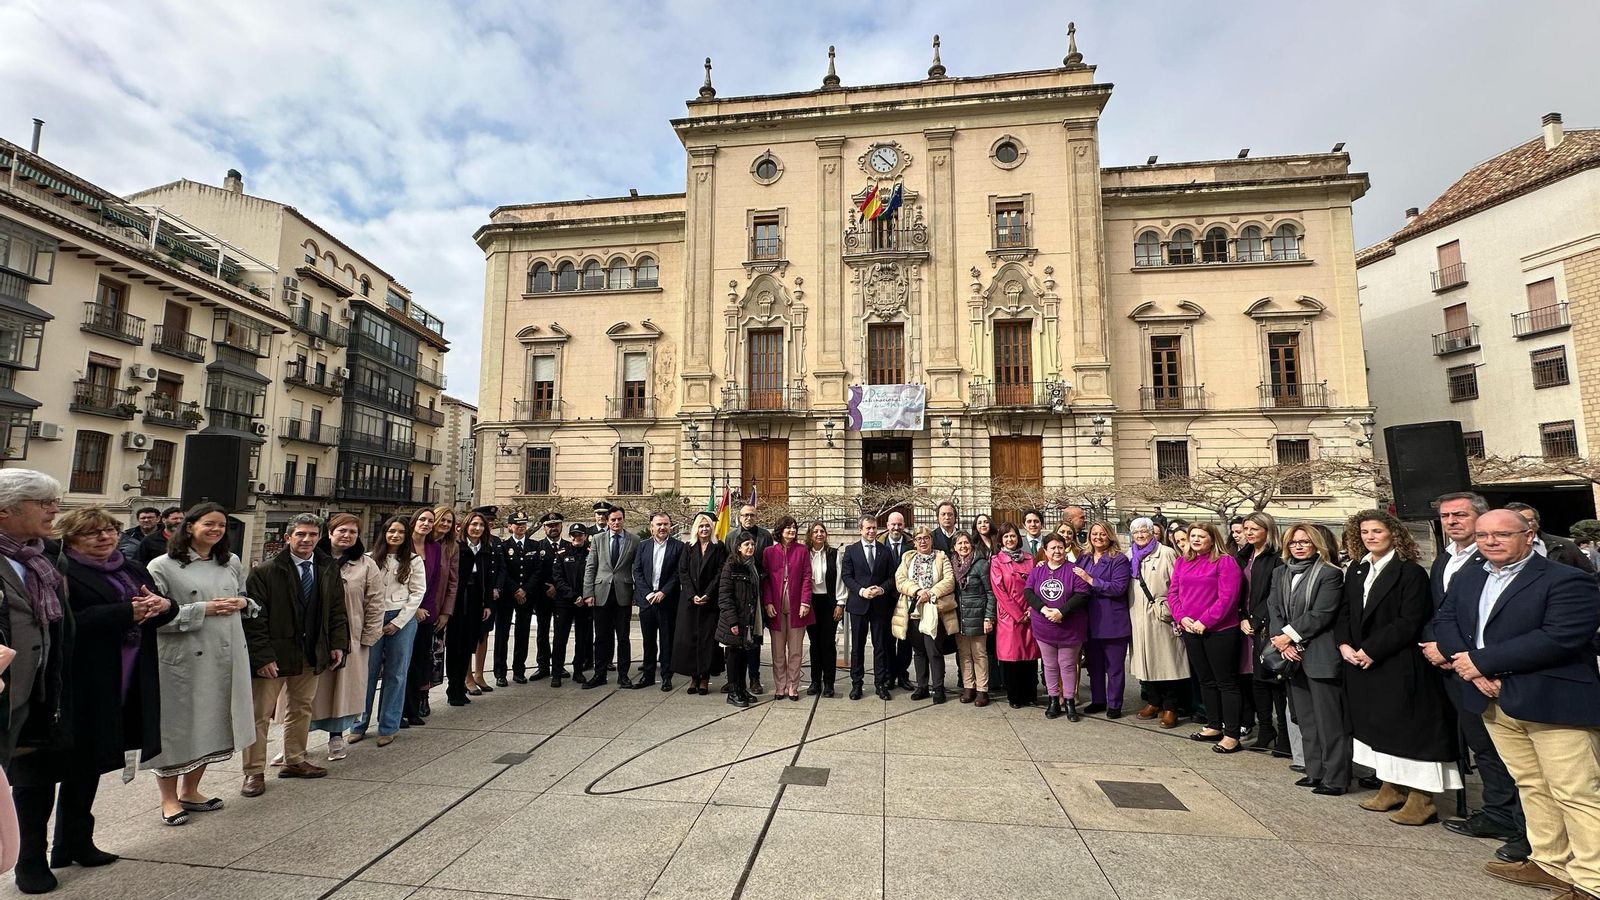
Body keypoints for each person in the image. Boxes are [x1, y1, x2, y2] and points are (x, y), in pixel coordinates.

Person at [1434, 509, 1600, 895]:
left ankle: (1592, 880)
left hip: (1552, 701)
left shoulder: (1568, 579)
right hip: (1493, 699)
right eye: (1483, 535)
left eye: (1502, 534)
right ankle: (1550, 861)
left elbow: (1560, 637)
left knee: (1576, 791)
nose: (1490, 541)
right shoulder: (1470, 575)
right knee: (1531, 784)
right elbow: (1447, 621)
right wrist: (1470, 666)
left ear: (1529, 535)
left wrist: (1482, 663)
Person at [13, 508, 174, 890]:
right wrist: (125, 612)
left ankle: (74, 842)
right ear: (69, 538)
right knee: (39, 777)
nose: (105, 538)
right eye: (92, 534)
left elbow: (158, 607)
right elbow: (61, 623)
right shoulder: (56, 570)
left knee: (88, 765)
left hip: (118, 682)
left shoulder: (131, 568)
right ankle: (29, 860)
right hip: (65, 685)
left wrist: (164, 607)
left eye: (110, 531)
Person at [1421, 492, 1528, 862]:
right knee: (1482, 745)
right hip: (1457, 668)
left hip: (1494, 668)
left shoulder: (1495, 561)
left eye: (1460, 515)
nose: (1452, 521)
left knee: (1514, 754)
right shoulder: (1443, 560)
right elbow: (1443, 613)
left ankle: (1523, 826)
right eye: (1446, 515)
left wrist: (1472, 661)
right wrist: (1441, 647)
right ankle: (1498, 814)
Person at [1337, 509, 1460, 826]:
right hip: (1362, 663)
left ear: (1393, 533)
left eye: (1376, 531)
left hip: (1397, 661)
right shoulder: (1357, 570)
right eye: (1364, 532)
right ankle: (1391, 786)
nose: (1370, 537)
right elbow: (1346, 612)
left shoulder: (1410, 572)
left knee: (1409, 730)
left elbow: (1409, 621)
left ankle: (1422, 798)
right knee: (1376, 729)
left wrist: (1370, 650)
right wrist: (1345, 645)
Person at [144, 502, 256, 829]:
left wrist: (243, 603)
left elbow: (245, 598)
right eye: (209, 524)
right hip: (182, 657)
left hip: (225, 652)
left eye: (221, 525)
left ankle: (191, 790)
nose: (216, 530)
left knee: (213, 720)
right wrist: (201, 609)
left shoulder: (230, 562)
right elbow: (152, 617)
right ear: (190, 526)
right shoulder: (162, 566)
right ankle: (168, 798)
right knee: (176, 728)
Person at [241, 514, 350, 798]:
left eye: (313, 535)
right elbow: (255, 620)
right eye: (301, 534)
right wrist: (263, 657)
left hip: (311, 651)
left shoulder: (327, 567)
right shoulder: (265, 571)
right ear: (288, 537)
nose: (307, 540)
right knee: (259, 715)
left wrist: (337, 644)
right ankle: (253, 772)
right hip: (275, 655)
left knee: (301, 708)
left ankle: (295, 760)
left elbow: (337, 610)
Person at [0, 472, 72, 893]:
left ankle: (30, 857)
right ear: (5, 510)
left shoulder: (44, 557)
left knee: (32, 780)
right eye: (42, 501)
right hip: (3, 695)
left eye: (55, 501)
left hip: (38, 695)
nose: (54, 509)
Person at [1267, 523, 1350, 795]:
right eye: (1293, 542)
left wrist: (1289, 637)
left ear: (1317, 544)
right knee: (1305, 719)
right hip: (1289, 655)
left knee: (1329, 721)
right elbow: (1274, 608)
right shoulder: (1280, 573)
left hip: (1319, 653)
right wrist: (1281, 641)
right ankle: (1314, 771)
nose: (1299, 546)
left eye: (1304, 542)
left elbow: (1322, 613)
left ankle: (1335, 777)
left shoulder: (1330, 574)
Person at [299, 514, 384, 759]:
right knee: (306, 691)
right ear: (330, 533)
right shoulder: (312, 559)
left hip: (350, 637)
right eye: (342, 530)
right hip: (312, 636)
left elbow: (375, 602)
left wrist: (368, 637)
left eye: (352, 532)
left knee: (341, 691)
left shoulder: (366, 564)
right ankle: (296, 741)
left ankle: (336, 737)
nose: (347, 535)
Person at [1171, 523, 1246, 752]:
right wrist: (1182, 618)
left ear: (1212, 539)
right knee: (1205, 679)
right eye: (1192, 535)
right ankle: (1214, 724)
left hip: (1220, 631)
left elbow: (1228, 598)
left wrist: (1206, 621)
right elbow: (1173, 592)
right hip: (1190, 628)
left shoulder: (1225, 561)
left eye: (1200, 536)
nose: (1195, 539)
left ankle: (1232, 733)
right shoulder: (1182, 561)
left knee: (1226, 682)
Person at [350, 514, 423, 742]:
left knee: (396, 674)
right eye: (392, 531)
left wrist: (397, 622)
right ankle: (359, 724)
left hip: (401, 618)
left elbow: (417, 593)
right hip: (373, 618)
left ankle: (388, 726)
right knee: (366, 673)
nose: (396, 535)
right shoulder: (369, 559)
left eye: (401, 532)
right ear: (384, 533)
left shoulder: (413, 560)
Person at [1126, 517, 1186, 729]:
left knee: (1167, 662)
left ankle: (1171, 707)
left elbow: (1178, 585)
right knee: (1146, 661)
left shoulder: (1166, 553)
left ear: (1153, 532)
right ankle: (1153, 702)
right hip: (1137, 615)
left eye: (1144, 531)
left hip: (1161, 615)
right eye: (1136, 532)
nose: (1140, 535)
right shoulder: (1130, 555)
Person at [1239, 512, 1288, 754]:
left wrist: (1256, 619)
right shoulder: (1244, 556)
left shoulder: (1276, 558)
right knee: (1256, 679)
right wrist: (1241, 617)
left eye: (1254, 529)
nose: (1249, 532)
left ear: (1267, 531)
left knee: (1273, 679)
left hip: (1266, 624)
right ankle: (1265, 729)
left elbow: (1273, 592)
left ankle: (1285, 736)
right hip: (1246, 623)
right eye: (1246, 528)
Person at [1025, 533, 1087, 720]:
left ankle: (1069, 701)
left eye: (1060, 547)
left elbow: (1082, 594)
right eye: (1052, 548)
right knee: (1050, 665)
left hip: (1069, 627)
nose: (1057, 551)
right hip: (1044, 627)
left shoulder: (1074, 569)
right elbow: (1028, 591)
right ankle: (1053, 700)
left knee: (1067, 665)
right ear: (1045, 551)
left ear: (1065, 548)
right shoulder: (1038, 571)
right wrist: (1043, 609)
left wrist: (1062, 612)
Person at [1077, 521, 1133, 718]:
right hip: (1090, 621)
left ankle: (1115, 703)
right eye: (1094, 534)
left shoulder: (1119, 560)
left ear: (1109, 536)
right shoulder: (1084, 557)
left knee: (1114, 666)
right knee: (1094, 665)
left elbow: (1118, 588)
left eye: (1102, 534)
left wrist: (1091, 581)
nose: (1098, 537)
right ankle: (1098, 699)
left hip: (1112, 621)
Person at [893, 527, 955, 703]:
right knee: (919, 651)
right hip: (913, 610)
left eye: (926, 538)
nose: (923, 541)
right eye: (919, 538)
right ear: (914, 542)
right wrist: (918, 591)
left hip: (934, 609)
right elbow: (900, 580)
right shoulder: (908, 557)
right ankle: (922, 686)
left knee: (934, 650)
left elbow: (949, 581)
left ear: (931, 540)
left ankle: (938, 688)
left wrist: (930, 593)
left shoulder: (941, 557)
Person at [402, 508, 449, 725]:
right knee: (400, 664)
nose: (426, 524)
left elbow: (435, 582)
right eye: (422, 519)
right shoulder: (402, 544)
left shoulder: (435, 547)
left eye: (430, 521)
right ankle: (398, 711)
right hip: (403, 612)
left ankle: (412, 709)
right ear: (414, 521)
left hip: (426, 613)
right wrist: (414, 608)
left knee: (419, 661)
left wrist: (429, 609)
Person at [841, 515, 896, 701]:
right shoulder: (851, 551)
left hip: (880, 605)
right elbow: (847, 576)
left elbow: (891, 578)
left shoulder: (884, 551)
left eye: (874, 528)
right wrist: (862, 591)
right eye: (868, 528)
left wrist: (881, 589)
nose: (871, 531)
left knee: (880, 646)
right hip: (859, 605)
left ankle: (880, 684)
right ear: (860, 530)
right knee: (857, 646)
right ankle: (857, 684)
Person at [582, 506, 638, 689]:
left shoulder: (634, 540)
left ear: (624, 519)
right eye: (613, 520)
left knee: (623, 637)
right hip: (601, 594)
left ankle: (623, 675)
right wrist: (588, 593)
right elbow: (591, 567)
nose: (616, 522)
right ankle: (600, 674)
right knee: (601, 637)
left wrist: (636, 594)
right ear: (607, 521)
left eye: (619, 519)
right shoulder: (598, 539)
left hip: (623, 594)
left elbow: (637, 569)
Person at [447, 511, 498, 706]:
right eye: (474, 525)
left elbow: (487, 579)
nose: (477, 528)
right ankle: (454, 688)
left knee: (469, 644)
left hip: (477, 599)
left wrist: (487, 604)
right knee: (456, 645)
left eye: (481, 525)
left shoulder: (485, 549)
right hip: (459, 599)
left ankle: (461, 687)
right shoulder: (457, 547)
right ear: (466, 526)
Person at [674, 513, 728, 696]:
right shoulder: (688, 547)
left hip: (710, 602)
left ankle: (704, 677)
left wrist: (707, 594)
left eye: (707, 526)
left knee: (708, 641)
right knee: (690, 639)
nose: (704, 529)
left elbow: (721, 572)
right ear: (696, 528)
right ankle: (694, 677)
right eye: (701, 526)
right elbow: (683, 572)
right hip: (690, 602)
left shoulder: (718, 547)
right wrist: (692, 595)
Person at [763, 517, 814, 702]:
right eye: (788, 527)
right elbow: (766, 579)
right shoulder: (769, 552)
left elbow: (808, 577)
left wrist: (805, 602)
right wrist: (768, 602)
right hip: (776, 606)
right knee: (777, 651)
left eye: (794, 527)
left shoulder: (802, 550)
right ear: (780, 530)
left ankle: (793, 686)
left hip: (796, 605)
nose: (792, 530)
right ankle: (780, 686)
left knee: (795, 650)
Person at [723, 505, 773, 695]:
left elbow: (767, 563)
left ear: (757, 516)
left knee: (754, 640)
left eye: (752, 515)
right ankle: (734, 681)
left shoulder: (765, 536)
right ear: (739, 517)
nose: (748, 518)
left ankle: (754, 678)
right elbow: (728, 562)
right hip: (737, 595)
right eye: (745, 515)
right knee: (734, 643)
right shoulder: (730, 536)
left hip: (756, 595)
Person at [990, 523, 1039, 710]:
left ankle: (1030, 693)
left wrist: (1031, 610)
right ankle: (1015, 695)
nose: (1010, 540)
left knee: (1030, 655)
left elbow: (1036, 585)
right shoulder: (997, 561)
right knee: (1012, 657)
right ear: (1001, 540)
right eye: (1006, 537)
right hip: (1009, 616)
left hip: (1029, 612)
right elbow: (1000, 591)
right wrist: (1018, 614)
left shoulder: (1029, 558)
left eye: (1012, 536)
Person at [632, 512, 681, 691]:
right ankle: (648, 675)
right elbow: (637, 571)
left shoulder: (678, 546)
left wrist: (663, 592)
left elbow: (678, 573)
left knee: (667, 641)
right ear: (651, 526)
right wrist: (647, 594)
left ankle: (667, 676)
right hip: (647, 602)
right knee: (648, 641)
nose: (662, 528)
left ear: (670, 525)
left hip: (667, 602)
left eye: (665, 524)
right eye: (658, 524)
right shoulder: (643, 546)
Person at [494, 513, 540, 687]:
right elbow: (502, 571)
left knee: (522, 634)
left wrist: (525, 590)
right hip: (507, 595)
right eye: (517, 524)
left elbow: (537, 571)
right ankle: (500, 672)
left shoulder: (533, 546)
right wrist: (515, 589)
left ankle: (519, 670)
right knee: (502, 635)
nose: (521, 527)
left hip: (526, 596)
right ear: (509, 526)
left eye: (523, 524)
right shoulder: (504, 546)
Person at [949, 532, 994, 706]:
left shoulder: (981, 564)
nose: (963, 546)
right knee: (964, 654)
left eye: (966, 543)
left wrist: (989, 617)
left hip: (978, 616)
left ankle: (982, 689)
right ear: (954, 547)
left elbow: (990, 593)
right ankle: (969, 687)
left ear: (971, 545)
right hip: (959, 617)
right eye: (959, 543)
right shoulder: (951, 564)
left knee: (979, 654)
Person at [803, 521, 845, 698]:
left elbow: (840, 580)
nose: (819, 534)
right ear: (810, 535)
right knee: (814, 643)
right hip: (811, 602)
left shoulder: (834, 554)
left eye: (822, 531)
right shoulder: (804, 554)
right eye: (815, 531)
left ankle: (829, 683)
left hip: (829, 602)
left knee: (828, 644)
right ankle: (814, 682)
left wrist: (840, 603)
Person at [718, 535, 761, 708]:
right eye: (746, 544)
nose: (750, 547)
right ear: (738, 547)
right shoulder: (731, 566)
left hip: (748, 619)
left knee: (743, 655)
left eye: (752, 544)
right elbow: (725, 596)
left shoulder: (752, 565)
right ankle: (733, 692)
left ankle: (742, 689)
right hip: (734, 620)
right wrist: (733, 621)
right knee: (734, 656)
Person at [1505, 502, 1599, 577]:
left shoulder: (1564, 546)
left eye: (1528, 520)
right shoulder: (1494, 548)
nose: (1522, 524)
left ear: (1537, 522)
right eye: (1515, 521)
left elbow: (1589, 575)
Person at [550, 524, 592, 688]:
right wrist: (573, 596)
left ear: (585, 536)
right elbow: (558, 579)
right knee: (560, 639)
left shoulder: (590, 553)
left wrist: (584, 596)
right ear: (570, 536)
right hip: (565, 603)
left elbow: (593, 575)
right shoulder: (561, 554)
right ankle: (556, 673)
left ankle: (578, 670)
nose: (576, 538)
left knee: (582, 639)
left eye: (580, 535)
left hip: (584, 602)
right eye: (573, 535)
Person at [529, 512, 566, 679]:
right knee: (542, 632)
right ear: (544, 528)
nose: (553, 528)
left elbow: (571, 573)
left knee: (560, 633)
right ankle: (543, 665)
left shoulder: (569, 546)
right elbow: (535, 572)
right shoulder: (537, 547)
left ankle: (559, 665)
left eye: (556, 525)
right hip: (543, 596)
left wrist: (558, 587)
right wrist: (547, 587)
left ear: (561, 526)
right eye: (549, 525)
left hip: (562, 596)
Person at [881, 511, 914, 690]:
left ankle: (903, 674)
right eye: (893, 524)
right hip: (885, 600)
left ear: (904, 526)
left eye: (899, 524)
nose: (896, 528)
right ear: (887, 525)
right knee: (887, 640)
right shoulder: (880, 543)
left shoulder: (911, 545)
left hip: (905, 599)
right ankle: (889, 675)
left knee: (905, 640)